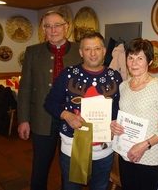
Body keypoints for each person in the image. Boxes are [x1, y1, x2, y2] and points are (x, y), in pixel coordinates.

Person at [44, 32, 122, 190]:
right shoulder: (67, 75)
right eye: (87, 49)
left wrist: (116, 124)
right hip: (73, 149)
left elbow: (120, 108)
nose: (93, 53)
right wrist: (67, 115)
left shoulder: (115, 77)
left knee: (100, 187)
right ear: (81, 52)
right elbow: (49, 103)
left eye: (97, 48)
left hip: (104, 151)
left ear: (104, 51)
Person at [17, 10, 82, 190]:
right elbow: (25, 88)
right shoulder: (33, 52)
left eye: (57, 25)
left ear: (66, 27)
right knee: (40, 166)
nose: (53, 30)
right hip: (42, 117)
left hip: (72, 119)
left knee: (69, 167)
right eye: (48, 26)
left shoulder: (80, 51)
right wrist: (23, 119)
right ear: (43, 30)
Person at [110, 38, 158, 190]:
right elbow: (123, 116)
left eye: (140, 58)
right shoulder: (123, 86)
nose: (134, 63)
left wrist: (146, 145)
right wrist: (114, 125)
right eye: (130, 57)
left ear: (149, 62)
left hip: (148, 159)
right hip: (126, 155)